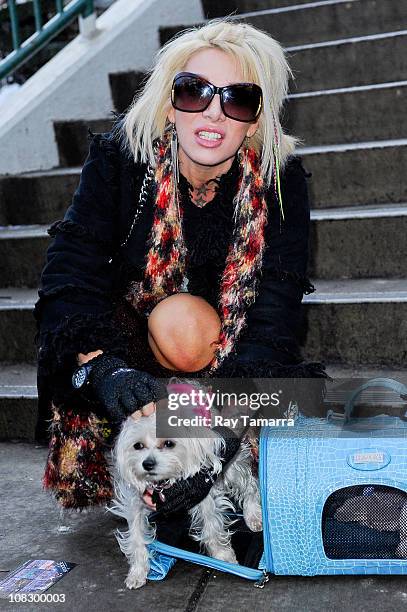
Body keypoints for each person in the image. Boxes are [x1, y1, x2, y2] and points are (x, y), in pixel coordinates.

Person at [34, 18, 329, 512]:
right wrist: (105, 372)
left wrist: (227, 425)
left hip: (226, 354)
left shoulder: (280, 181)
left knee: (274, 387)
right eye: (195, 91)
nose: (213, 112)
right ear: (171, 103)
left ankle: (204, 450)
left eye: (237, 99)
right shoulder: (120, 160)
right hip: (130, 345)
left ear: (255, 120)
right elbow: (69, 275)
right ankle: (151, 441)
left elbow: (276, 301)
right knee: (177, 324)